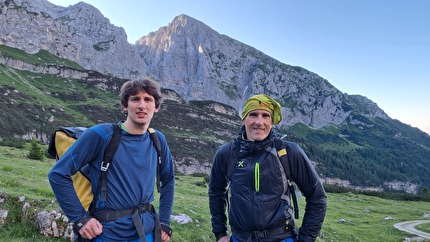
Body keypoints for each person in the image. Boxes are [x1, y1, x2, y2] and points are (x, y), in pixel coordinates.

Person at [48, 78, 175, 242]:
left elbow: (168, 180)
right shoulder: (101, 134)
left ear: (156, 107)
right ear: (125, 105)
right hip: (106, 233)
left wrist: (164, 222)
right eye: (135, 99)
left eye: (148, 100)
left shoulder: (157, 139)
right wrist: (80, 219)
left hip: (145, 231)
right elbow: (58, 174)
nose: (142, 105)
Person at [209, 94, 327, 242]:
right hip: (240, 238)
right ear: (243, 118)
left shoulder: (288, 152)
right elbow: (216, 192)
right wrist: (220, 233)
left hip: (282, 238)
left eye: (265, 115)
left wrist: (306, 239)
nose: (259, 122)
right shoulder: (227, 153)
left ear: (271, 121)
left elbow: (317, 197)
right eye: (253, 114)